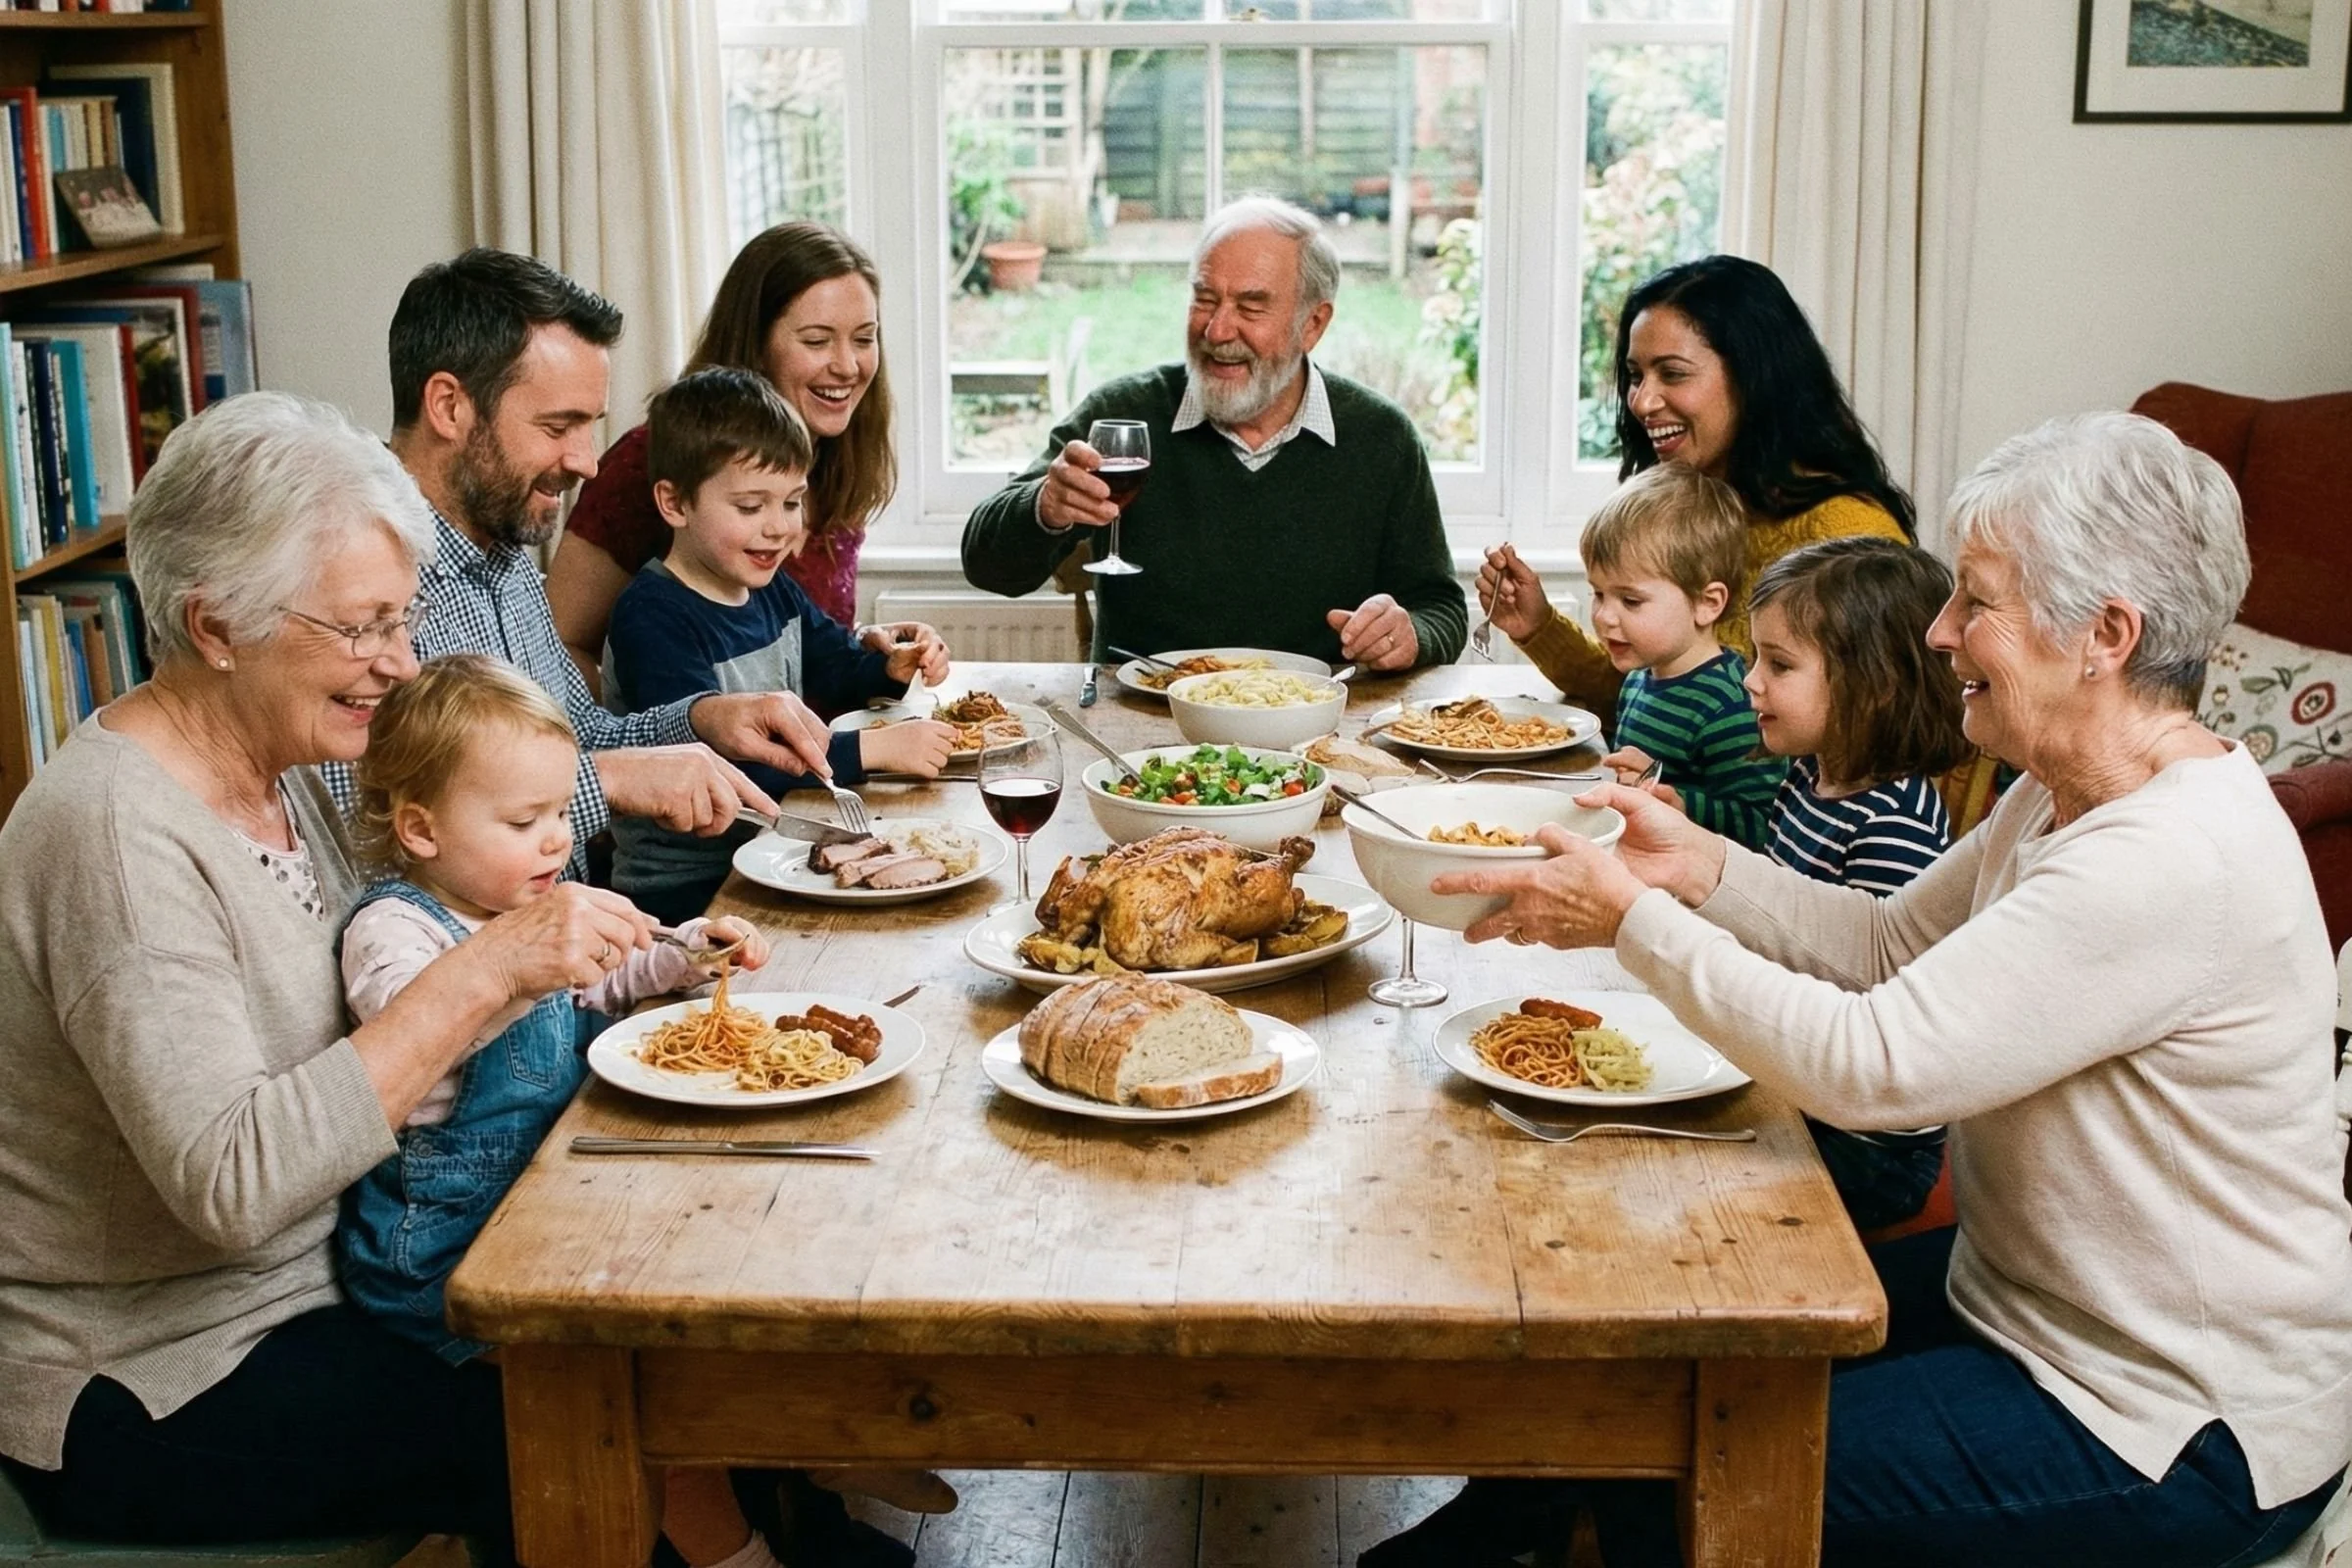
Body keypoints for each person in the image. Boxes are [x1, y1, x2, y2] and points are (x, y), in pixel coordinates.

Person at [1368, 412, 2352, 1567]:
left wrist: (1630, 919)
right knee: (1636, 1371)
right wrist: (1700, 868)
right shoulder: (2064, 790)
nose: (1940, 631)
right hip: (2030, 1308)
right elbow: (1889, 945)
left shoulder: (2162, 857)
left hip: (2171, 1420)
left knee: (1673, 1477)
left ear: (2107, 635)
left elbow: (1873, 1065)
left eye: (1975, 600)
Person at [0, 393, 667, 1560]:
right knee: (555, 1424)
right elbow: (233, 1185)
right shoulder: (113, 837)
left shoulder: (299, 758)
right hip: (161, 1366)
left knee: (652, 1323)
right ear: (215, 627)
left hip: (341, 1275)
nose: (398, 663)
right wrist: (487, 972)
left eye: (400, 621)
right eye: (363, 629)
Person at [334, 654, 801, 1568]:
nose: (556, 841)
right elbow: (414, 1029)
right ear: (420, 828)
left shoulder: (528, 895)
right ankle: (735, 1550)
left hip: (544, 1207)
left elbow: (613, 977)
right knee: (634, 1387)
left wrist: (687, 953)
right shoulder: (394, 931)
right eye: (523, 821)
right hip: (442, 1258)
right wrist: (514, 965)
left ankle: (804, 1475)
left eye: (558, 814)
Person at [356, 247, 838, 882]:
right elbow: (378, 833)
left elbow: (577, 732)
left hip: (586, 954)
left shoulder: (502, 554)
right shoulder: (363, 580)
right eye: (560, 426)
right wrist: (605, 783)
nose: (587, 462)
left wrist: (700, 718)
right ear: (449, 406)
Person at [960, 195, 1467, 670]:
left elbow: (1442, 608)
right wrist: (1046, 508)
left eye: (1250, 308)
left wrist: (1410, 635)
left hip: (1318, 737)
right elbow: (985, 565)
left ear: (1312, 324)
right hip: (1147, 736)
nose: (1217, 331)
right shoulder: (1124, 415)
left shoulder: (1381, 437)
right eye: (1205, 299)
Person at [1478, 254, 1912, 712]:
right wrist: (1538, 626)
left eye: (1673, 374)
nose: (1642, 401)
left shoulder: (1848, 533)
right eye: (1635, 376)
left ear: (1753, 376)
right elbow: (1658, 697)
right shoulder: (1691, 504)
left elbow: (1888, 736)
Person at [604, 368, 956, 923]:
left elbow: (834, 667)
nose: (777, 528)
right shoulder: (651, 617)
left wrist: (890, 666)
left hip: (776, 853)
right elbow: (730, 768)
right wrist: (874, 752)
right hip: (683, 891)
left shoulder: (772, 590)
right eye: (750, 507)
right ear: (675, 503)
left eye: (791, 503)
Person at [550, 220, 920, 692]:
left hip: (822, 752)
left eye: (865, 339)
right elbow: (563, 643)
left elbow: (798, 646)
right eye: (816, 341)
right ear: (757, 344)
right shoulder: (651, 461)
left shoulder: (836, 452)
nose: (848, 366)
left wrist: (871, 653)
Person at [1744, 536, 1973, 1231]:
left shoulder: (1894, 824)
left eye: (1779, 664)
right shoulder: (1808, 777)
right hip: (1795, 1074)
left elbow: (1869, 1000)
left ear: (1872, 689)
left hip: (1868, 1145)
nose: (1750, 680)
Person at [1582, 463, 1784, 849]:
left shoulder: (1731, 705)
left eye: (1631, 600)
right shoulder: (1640, 678)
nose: (1604, 616)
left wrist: (1676, 801)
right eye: (1598, 594)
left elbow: (1765, 827)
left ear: (1707, 604)